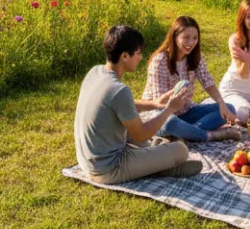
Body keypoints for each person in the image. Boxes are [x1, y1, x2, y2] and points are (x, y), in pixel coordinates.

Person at [74, 25, 202, 184]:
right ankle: (158, 168)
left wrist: (155, 104)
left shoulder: (96, 72)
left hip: (87, 159)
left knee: (150, 139)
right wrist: (169, 109)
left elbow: (118, 105)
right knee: (181, 150)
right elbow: (140, 134)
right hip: (108, 169)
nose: (141, 57)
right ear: (125, 56)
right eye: (138, 53)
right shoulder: (119, 90)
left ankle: (154, 164)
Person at [141, 16, 241, 142]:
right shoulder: (160, 60)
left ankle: (186, 134)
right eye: (186, 37)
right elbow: (161, 105)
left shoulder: (195, 57)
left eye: (195, 38)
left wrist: (221, 104)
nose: (191, 43)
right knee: (171, 124)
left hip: (186, 111)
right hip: (160, 116)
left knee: (229, 108)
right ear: (175, 36)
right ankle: (210, 135)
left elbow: (207, 81)